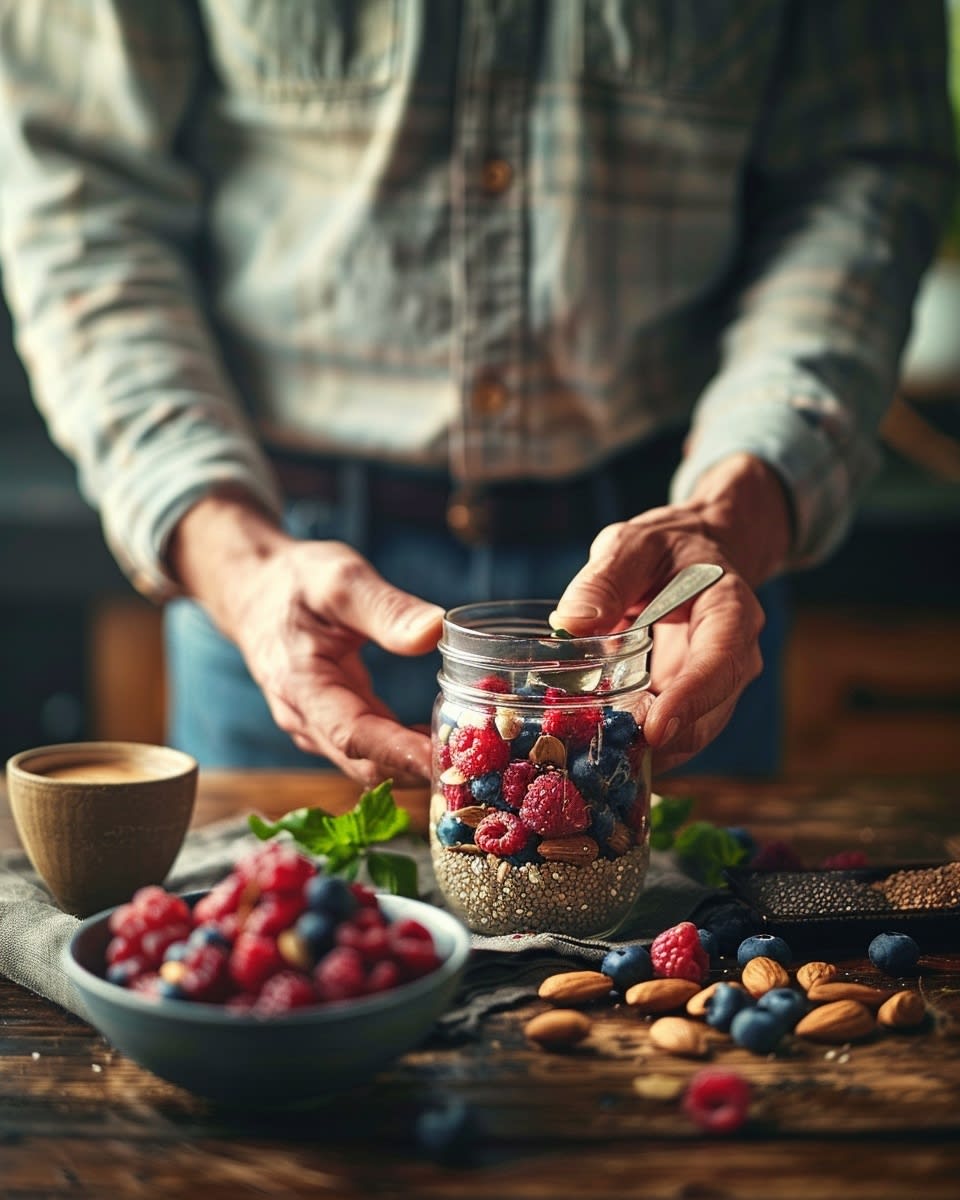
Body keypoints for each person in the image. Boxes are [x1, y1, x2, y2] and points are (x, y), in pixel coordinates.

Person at [0, 2, 954, 786]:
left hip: (669, 594)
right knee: (272, 965)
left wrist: (730, 514)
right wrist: (238, 563)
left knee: (701, 956)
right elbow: (79, 194)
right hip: (287, 579)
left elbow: (862, 172)